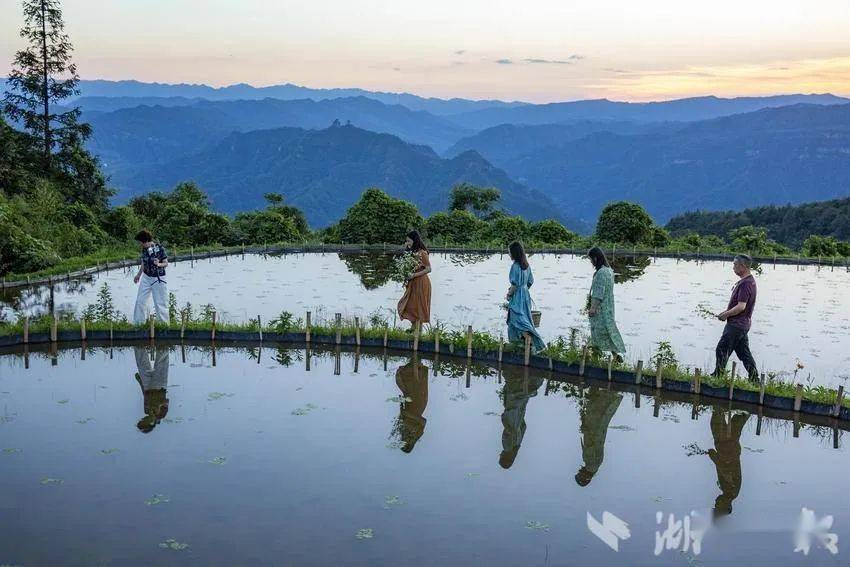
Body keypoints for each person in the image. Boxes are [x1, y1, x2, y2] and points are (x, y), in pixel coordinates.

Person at [711, 254, 759, 381]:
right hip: (743, 324)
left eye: (735, 265)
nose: (733, 267)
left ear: (743, 266)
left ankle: (717, 377)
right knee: (744, 353)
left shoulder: (746, 284)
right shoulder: (749, 281)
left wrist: (725, 314)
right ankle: (755, 379)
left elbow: (741, 307)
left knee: (722, 349)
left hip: (736, 325)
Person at [574, 387, 623, 486]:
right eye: (579, 474)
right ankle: (606, 390)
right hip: (595, 430)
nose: (579, 472)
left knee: (601, 409)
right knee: (598, 408)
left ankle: (608, 391)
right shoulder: (590, 464)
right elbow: (590, 445)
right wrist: (585, 428)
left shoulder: (595, 465)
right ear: (583, 476)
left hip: (598, 431)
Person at [499, 366, 544, 469]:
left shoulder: (517, 445)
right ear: (504, 457)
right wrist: (503, 418)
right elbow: (508, 430)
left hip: (517, 415)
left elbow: (524, 427)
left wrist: (519, 420)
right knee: (515, 393)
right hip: (512, 416)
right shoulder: (507, 447)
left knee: (522, 395)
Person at [707, 407, 748, 518]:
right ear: (726, 505)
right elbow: (724, 468)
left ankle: (743, 410)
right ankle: (722, 403)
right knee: (717, 422)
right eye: (717, 505)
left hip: (728, 449)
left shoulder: (730, 492)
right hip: (726, 449)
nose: (715, 501)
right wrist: (713, 457)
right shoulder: (730, 490)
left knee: (735, 424)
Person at [586, 247, 626, 358]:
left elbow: (599, 292)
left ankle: (596, 355)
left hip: (601, 308)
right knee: (608, 330)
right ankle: (615, 355)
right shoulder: (609, 271)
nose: (591, 262)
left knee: (597, 332)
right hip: (609, 307)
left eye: (591, 260)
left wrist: (593, 308)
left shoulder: (601, 273)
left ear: (595, 258)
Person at [505, 241, 545, 352]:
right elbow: (530, 281)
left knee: (517, 320)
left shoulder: (515, 266)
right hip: (525, 296)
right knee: (524, 318)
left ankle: (530, 341)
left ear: (514, 253)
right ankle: (522, 347)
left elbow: (514, 285)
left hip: (517, 296)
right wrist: (524, 290)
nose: (509, 254)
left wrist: (509, 294)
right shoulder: (526, 266)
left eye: (509, 252)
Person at [393, 356, 429, 453]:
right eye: (404, 442)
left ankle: (415, 357)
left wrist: (401, 405)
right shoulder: (417, 433)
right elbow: (423, 421)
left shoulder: (403, 431)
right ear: (409, 443)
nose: (403, 439)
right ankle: (417, 358)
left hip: (408, 401)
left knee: (399, 379)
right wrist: (408, 415)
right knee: (409, 378)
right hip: (418, 403)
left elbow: (403, 415)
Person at [133, 229, 169, 324]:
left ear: (145, 241)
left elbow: (166, 263)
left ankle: (163, 325)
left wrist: (159, 264)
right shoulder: (144, 249)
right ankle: (139, 324)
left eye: (140, 242)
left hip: (158, 278)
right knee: (140, 301)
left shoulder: (160, 248)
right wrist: (138, 275)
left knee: (160, 303)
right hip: (146, 277)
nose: (139, 244)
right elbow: (143, 262)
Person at [397, 230, 431, 329]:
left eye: (408, 241)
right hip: (413, 282)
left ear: (414, 240)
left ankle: (417, 333)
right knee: (410, 305)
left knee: (418, 307)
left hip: (421, 282)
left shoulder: (422, 253)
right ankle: (414, 331)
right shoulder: (411, 253)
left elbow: (429, 269)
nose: (406, 243)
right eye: (406, 241)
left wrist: (414, 275)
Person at [133, 346, 170, 433]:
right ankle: (162, 341)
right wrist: (158, 406)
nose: (143, 418)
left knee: (141, 360)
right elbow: (166, 401)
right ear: (150, 423)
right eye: (143, 421)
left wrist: (140, 381)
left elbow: (145, 396)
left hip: (147, 387)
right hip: (159, 386)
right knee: (162, 360)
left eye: (142, 419)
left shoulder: (146, 411)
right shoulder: (161, 414)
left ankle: (138, 342)